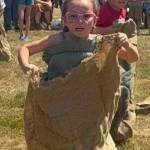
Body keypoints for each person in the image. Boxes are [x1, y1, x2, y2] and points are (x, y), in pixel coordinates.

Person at [94, 0, 139, 143]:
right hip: (103, 53)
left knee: (125, 80)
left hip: (120, 51)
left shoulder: (122, 9)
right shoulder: (103, 10)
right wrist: (110, 30)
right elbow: (92, 30)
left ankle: (119, 119)